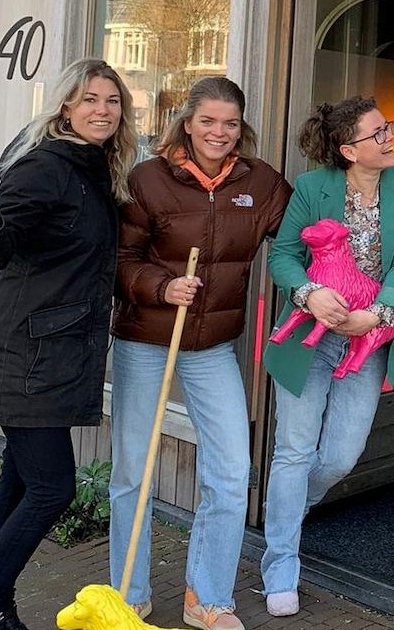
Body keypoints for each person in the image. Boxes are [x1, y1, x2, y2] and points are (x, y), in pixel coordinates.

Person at [0, 58, 138, 630]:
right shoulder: (46, 167)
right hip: (26, 352)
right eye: (89, 100)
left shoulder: (96, 167)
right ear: (65, 107)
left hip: (55, 347)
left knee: (21, 478)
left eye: (111, 101)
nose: (102, 110)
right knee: (53, 488)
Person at [107, 76, 292, 630]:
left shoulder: (259, 183)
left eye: (230, 123)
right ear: (186, 122)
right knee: (133, 473)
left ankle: (206, 597)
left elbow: (300, 228)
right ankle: (128, 595)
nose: (219, 132)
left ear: (242, 128)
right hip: (146, 340)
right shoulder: (147, 179)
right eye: (208, 121)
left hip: (212, 347)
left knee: (232, 472)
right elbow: (119, 259)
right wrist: (162, 288)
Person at [259, 96, 394, 617]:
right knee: (293, 449)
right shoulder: (312, 188)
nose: (389, 137)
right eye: (378, 133)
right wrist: (309, 293)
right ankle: (281, 560)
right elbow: (284, 255)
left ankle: (290, 510)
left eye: (388, 128)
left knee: (340, 457)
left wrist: (375, 315)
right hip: (311, 332)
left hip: (367, 336)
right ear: (348, 149)